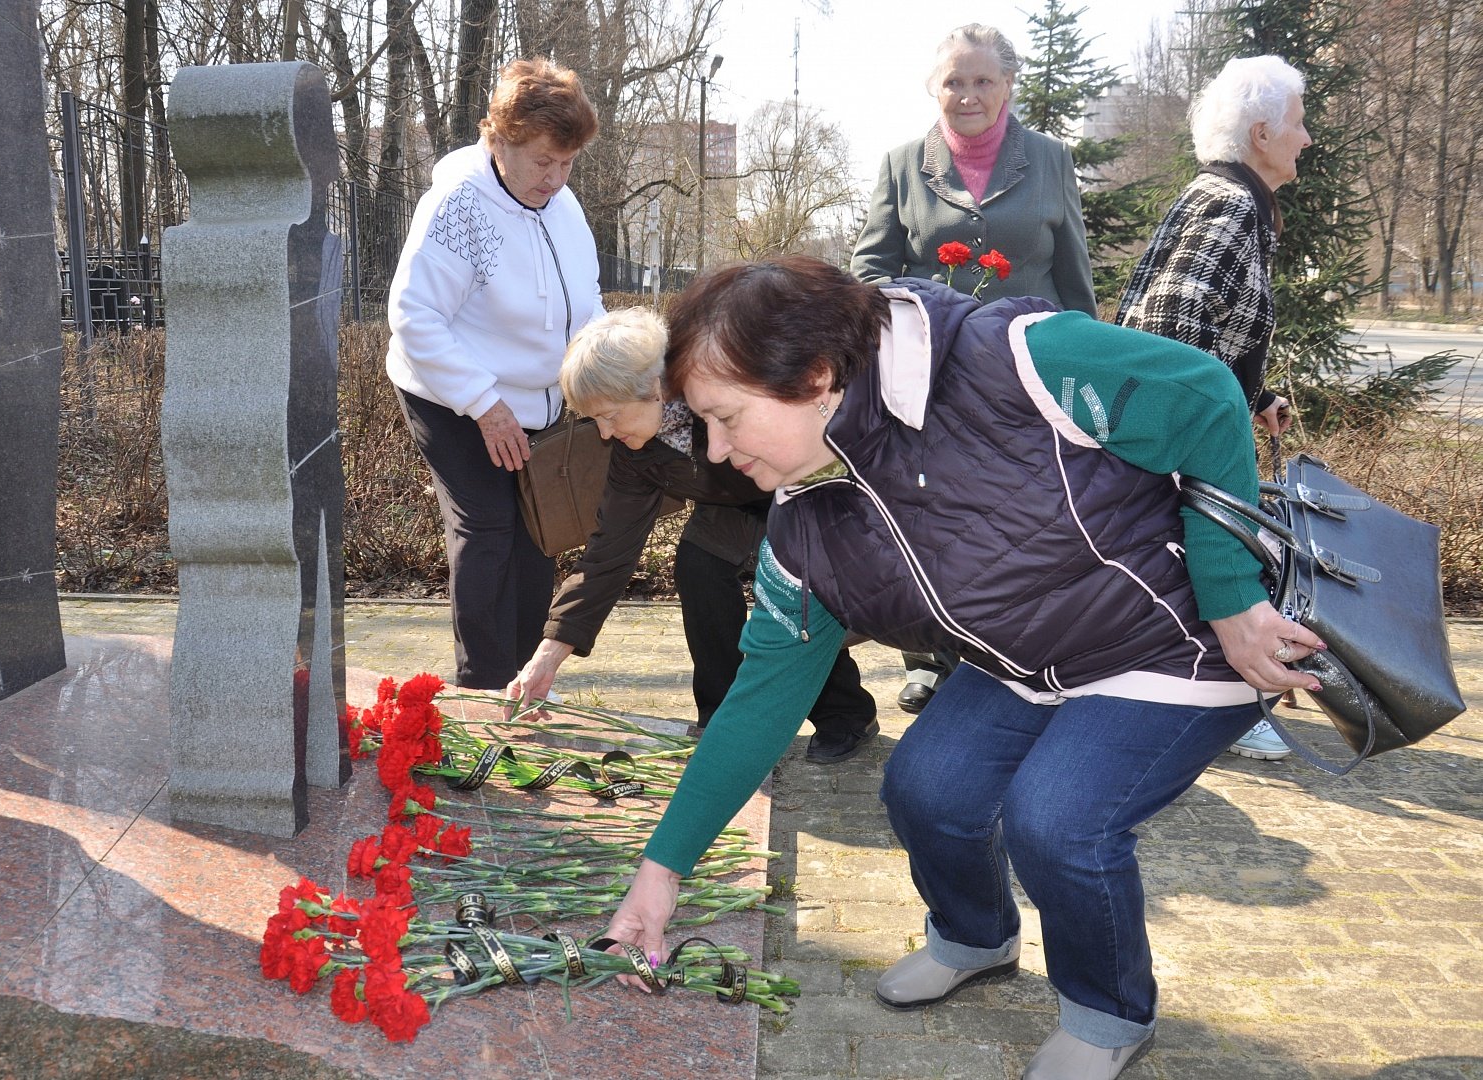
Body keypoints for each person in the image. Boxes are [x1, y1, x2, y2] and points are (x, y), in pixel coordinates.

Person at [600, 257, 1325, 1079]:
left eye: (726, 418)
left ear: (815, 377)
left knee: (1055, 821)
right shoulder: (805, 525)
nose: (719, 453)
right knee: (924, 788)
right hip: (1029, 659)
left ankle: (1109, 1012)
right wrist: (661, 872)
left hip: (1171, 641)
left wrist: (1231, 598)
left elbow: (1200, 391)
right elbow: (755, 707)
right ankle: (977, 937)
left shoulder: (1007, 358)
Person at [850, 23, 1099, 715]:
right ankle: (930, 658)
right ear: (934, 88)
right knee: (931, 510)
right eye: (953, 81)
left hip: (1032, 372)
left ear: (1008, 85)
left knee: (1020, 513)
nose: (968, 94)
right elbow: (869, 269)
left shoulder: (1050, 159)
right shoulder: (903, 164)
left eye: (983, 80)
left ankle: (1012, 655)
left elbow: (1073, 273)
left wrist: (1090, 365)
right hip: (934, 371)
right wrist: (918, 315)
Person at [503, 308, 880, 763]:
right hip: (727, 508)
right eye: (593, 420)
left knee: (791, 588)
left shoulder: (730, 390)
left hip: (800, 494)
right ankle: (722, 720)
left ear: (654, 389)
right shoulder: (633, 450)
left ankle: (846, 714)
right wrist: (548, 654)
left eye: (609, 416)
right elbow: (608, 554)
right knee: (699, 566)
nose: (604, 433)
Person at [1116, 55, 1312, 761]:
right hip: (1180, 444)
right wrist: (1204, 421)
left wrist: (1253, 396)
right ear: (1262, 133)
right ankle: (1224, 705)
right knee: (1217, 565)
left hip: (1191, 431)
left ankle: (1214, 694)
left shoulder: (1230, 199)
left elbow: (1206, 316)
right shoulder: (1230, 203)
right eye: (1297, 122)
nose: (1307, 138)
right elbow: (1168, 326)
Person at [386, 57, 605, 690]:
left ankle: (521, 682)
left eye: (567, 164)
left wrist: (602, 378)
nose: (556, 179)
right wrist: (484, 404)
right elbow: (414, 316)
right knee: (487, 526)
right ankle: (480, 687)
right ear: (499, 139)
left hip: (535, 401)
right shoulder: (457, 207)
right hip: (449, 393)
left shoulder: (563, 206)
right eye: (543, 161)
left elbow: (585, 304)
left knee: (539, 532)